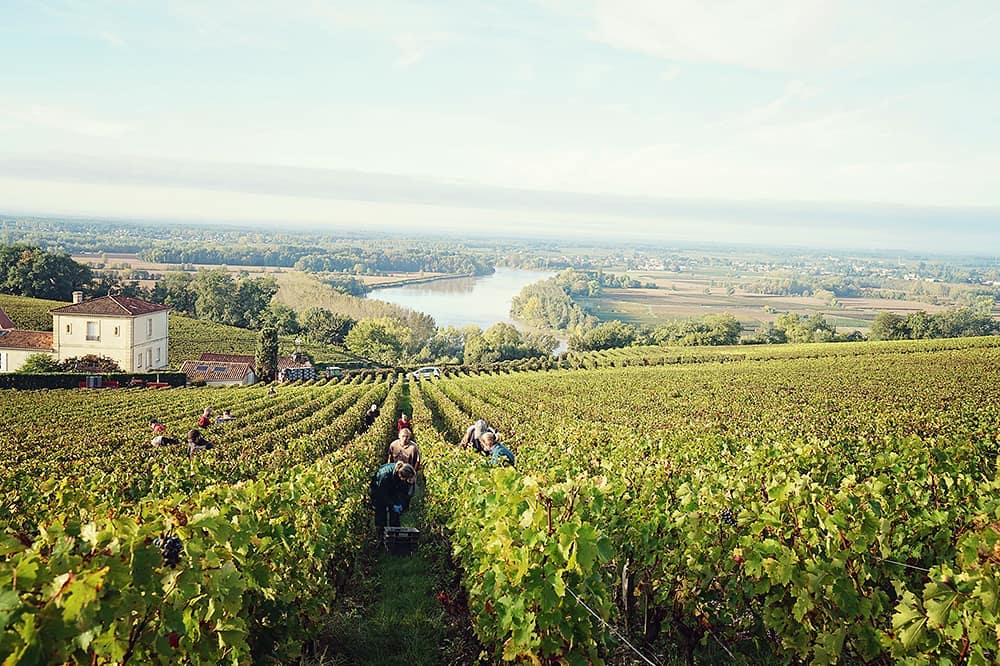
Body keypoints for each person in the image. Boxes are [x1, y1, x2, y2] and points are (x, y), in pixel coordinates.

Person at [369, 461, 416, 528]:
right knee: (381, 512)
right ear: (401, 476)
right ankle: (380, 533)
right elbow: (382, 495)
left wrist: (401, 504)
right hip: (379, 489)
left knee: (395, 514)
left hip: (392, 486)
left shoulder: (403, 473)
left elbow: (403, 492)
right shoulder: (385, 475)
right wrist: (391, 504)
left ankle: (394, 533)